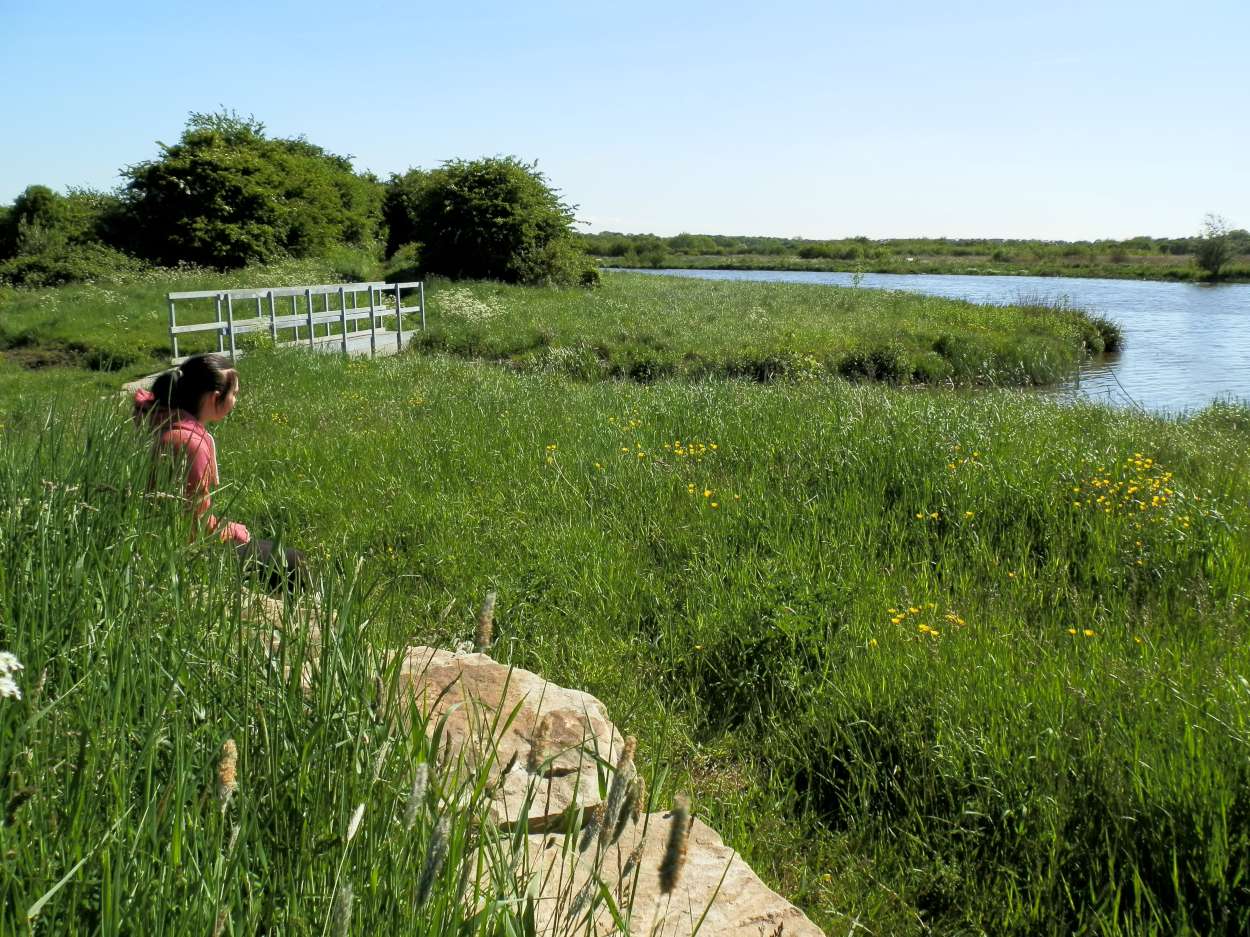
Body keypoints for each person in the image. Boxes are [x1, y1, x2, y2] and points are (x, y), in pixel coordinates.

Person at [133, 353, 307, 592]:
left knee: (269, 549)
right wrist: (231, 529)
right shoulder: (189, 443)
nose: (235, 400)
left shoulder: (161, 423)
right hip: (188, 556)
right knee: (294, 562)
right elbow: (195, 527)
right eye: (234, 393)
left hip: (155, 545)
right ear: (215, 398)